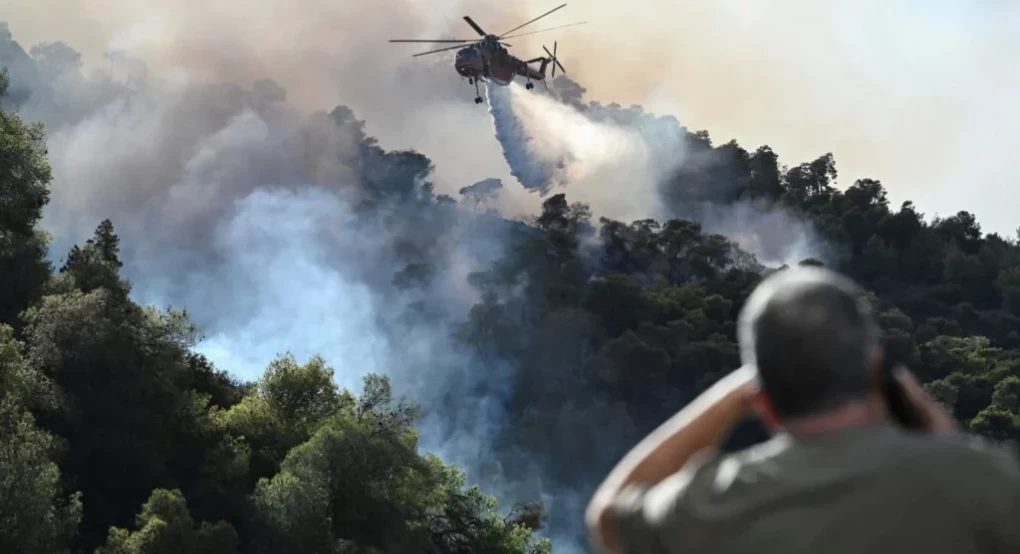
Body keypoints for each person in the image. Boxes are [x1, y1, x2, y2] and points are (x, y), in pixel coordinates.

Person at [585, 266, 1020, 554]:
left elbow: (609, 515)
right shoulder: (977, 481)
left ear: (764, 401)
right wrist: (930, 420)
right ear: (875, 372)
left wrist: (733, 394)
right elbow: (970, 475)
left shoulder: (717, 502)